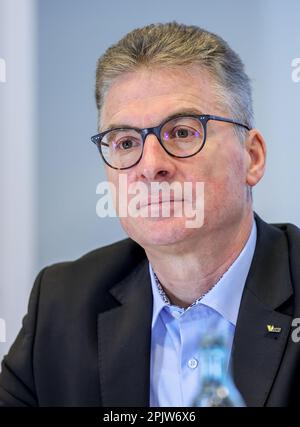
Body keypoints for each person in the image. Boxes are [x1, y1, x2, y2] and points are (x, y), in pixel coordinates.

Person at [0, 22, 300, 407]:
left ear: (252, 157)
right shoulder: (62, 305)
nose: (151, 165)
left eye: (183, 132)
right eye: (126, 142)